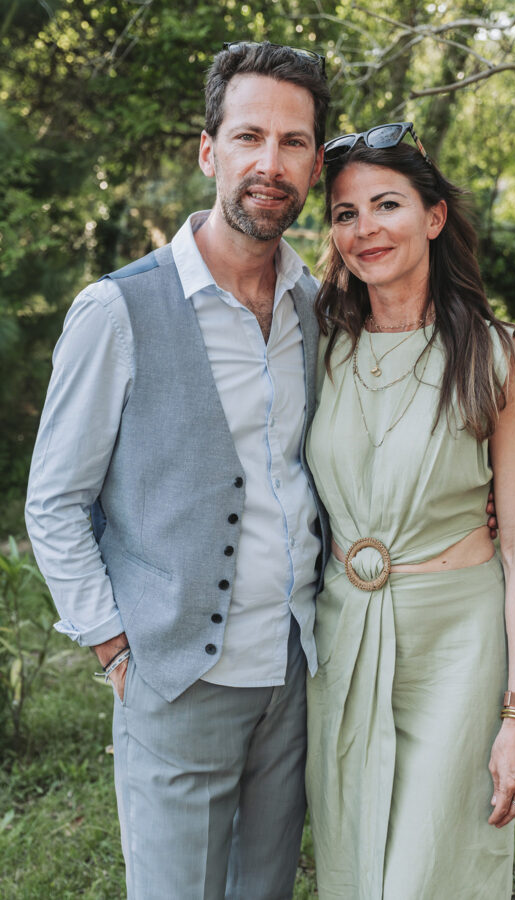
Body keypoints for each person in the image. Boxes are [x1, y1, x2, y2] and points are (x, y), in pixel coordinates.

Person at [25, 41, 331, 900]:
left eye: (294, 142)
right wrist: (114, 643)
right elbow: (54, 502)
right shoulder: (116, 309)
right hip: (174, 677)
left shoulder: (318, 307)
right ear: (209, 151)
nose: (269, 164)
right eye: (248, 137)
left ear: (313, 163)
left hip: (295, 670)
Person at [304, 123, 515, 899]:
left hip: (456, 649)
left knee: (427, 879)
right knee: (355, 871)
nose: (365, 229)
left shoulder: (497, 355)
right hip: (343, 639)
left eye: (386, 204)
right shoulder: (316, 343)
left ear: (434, 217)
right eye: (345, 213)